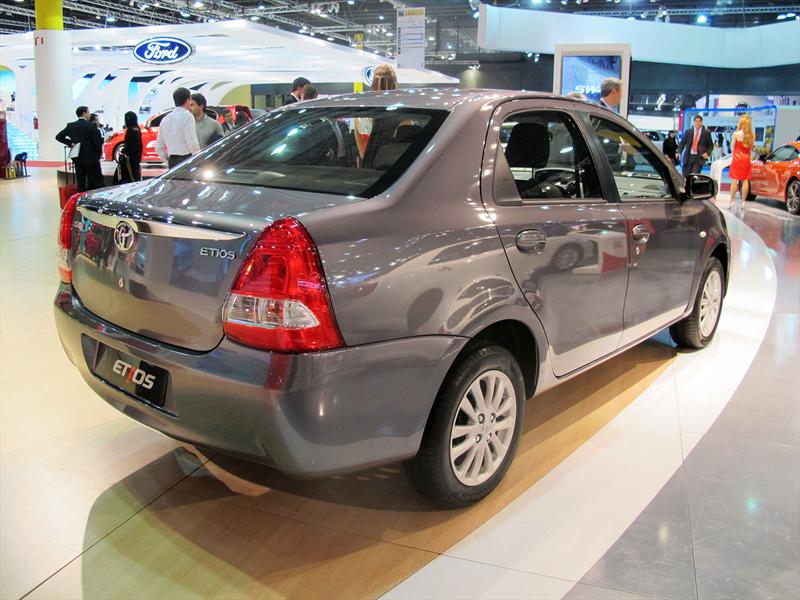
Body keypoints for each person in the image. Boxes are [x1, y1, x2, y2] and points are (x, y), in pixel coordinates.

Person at [55, 105, 104, 191]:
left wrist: (71, 143)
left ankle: (81, 198)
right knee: (96, 182)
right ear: (84, 113)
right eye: (88, 112)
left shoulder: (71, 126)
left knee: (81, 183)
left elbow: (58, 137)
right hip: (91, 159)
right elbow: (97, 143)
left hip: (77, 158)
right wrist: (98, 155)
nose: (89, 114)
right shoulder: (91, 126)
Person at [355, 64, 399, 158]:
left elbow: (362, 153)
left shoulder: (360, 114)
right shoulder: (402, 114)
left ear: (373, 84)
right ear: (395, 85)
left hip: (369, 163)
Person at [155, 87, 201, 168]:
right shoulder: (188, 116)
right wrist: (198, 159)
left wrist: (167, 161)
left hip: (172, 160)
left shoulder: (165, 119)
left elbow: (159, 147)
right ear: (188, 100)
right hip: (187, 159)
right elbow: (192, 143)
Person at [729, 114, 755, 209]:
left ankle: (731, 201)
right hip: (746, 159)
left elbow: (732, 147)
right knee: (745, 180)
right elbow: (751, 149)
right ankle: (743, 202)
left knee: (735, 180)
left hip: (737, 158)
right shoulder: (752, 135)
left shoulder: (736, 134)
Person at [122, 111, 142, 182]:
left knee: (132, 175)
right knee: (136, 172)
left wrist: (125, 150)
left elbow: (129, 144)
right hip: (137, 155)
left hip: (131, 156)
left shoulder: (130, 130)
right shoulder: (137, 129)